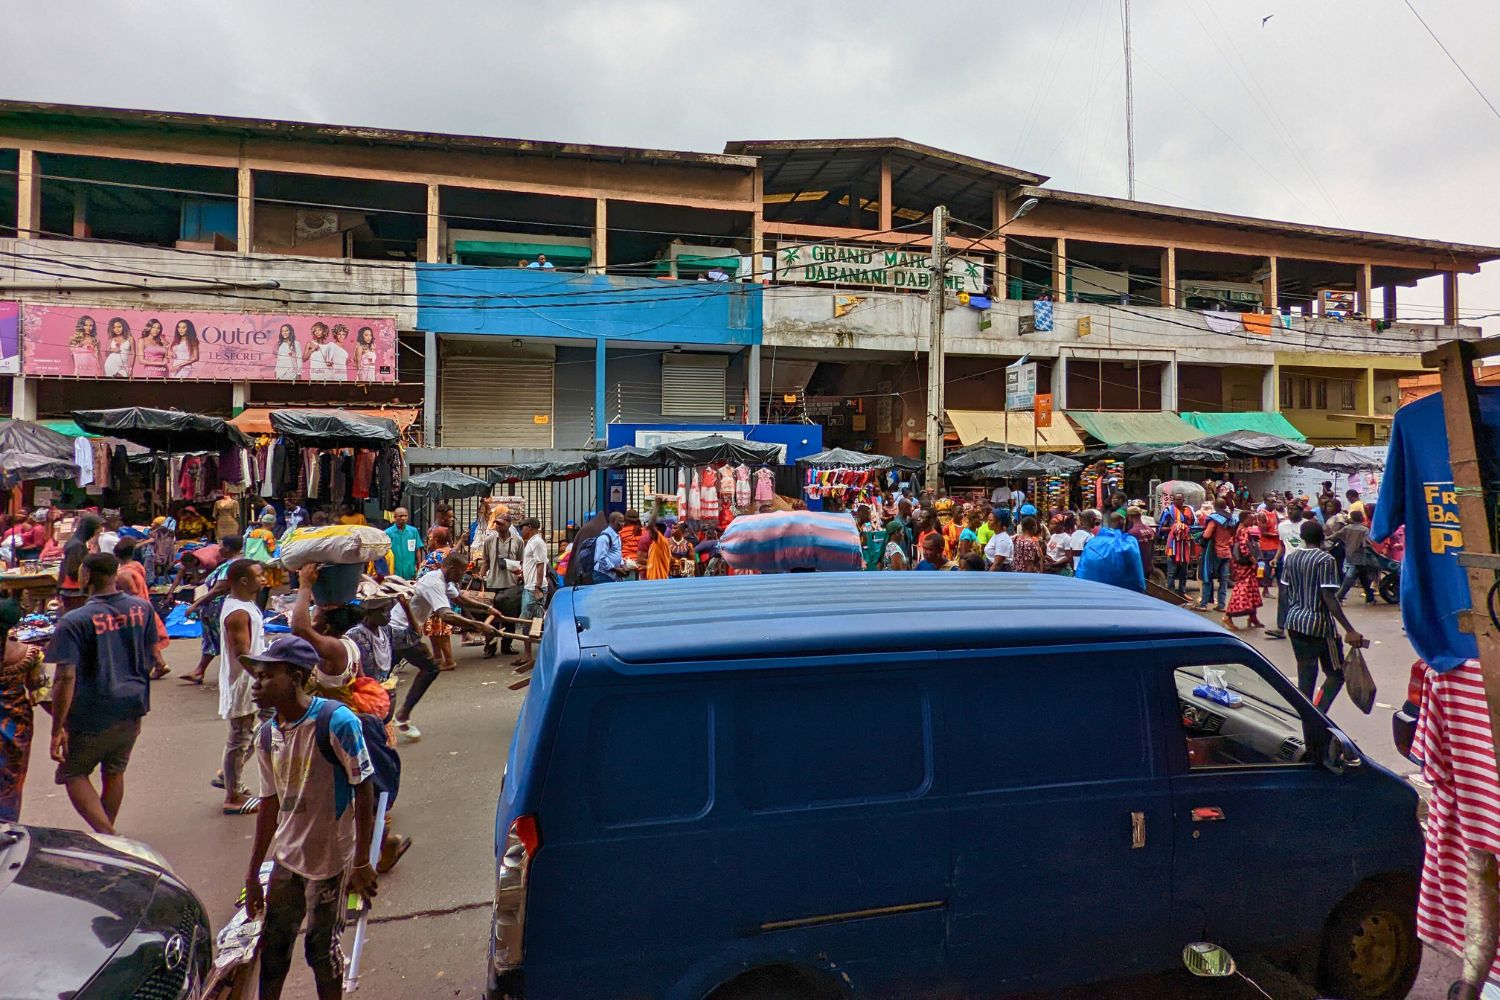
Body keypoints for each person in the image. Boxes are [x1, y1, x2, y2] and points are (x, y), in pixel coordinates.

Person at [241, 635, 377, 1000]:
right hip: (288, 855)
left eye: (267, 676)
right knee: (273, 946)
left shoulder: (336, 722)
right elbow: (269, 804)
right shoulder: (268, 736)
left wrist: (362, 861)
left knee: (320, 949)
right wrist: (254, 871)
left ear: (297, 676)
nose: (257, 684)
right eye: (257, 676)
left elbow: (364, 788)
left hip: (331, 857)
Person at [45, 553, 161, 834]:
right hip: (133, 704)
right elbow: (150, 656)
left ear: (85, 576)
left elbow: (65, 676)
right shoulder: (142, 609)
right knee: (114, 771)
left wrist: (58, 726)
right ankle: (107, 839)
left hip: (92, 710)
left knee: (73, 772)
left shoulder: (73, 620)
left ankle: (109, 837)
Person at [1281, 519, 1363, 715]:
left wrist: (1284, 620)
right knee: (1336, 673)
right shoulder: (1325, 560)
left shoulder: (1291, 559)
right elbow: (1329, 598)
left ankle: (1304, 714)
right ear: (1322, 537)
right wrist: (1349, 629)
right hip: (1319, 625)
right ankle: (1318, 713)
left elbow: (1284, 593)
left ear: (1301, 537)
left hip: (1294, 622)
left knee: (1306, 675)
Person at [219, 559, 267, 815]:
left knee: (261, 727)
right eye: (259, 576)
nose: (264, 579)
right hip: (244, 682)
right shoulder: (239, 613)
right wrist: (263, 679)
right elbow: (242, 653)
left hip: (252, 679)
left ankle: (229, 775)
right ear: (243, 581)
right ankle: (232, 794)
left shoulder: (245, 606)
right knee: (240, 737)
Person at [0, 599, 50, 821]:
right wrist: (62, 727)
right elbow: (42, 694)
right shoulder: (29, 654)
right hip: (16, 726)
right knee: (10, 781)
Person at [113, 539, 171, 678]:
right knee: (150, 638)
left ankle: (153, 666)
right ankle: (159, 665)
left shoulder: (123, 573)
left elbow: (132, 591)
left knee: (141, 640)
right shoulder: (137, 566)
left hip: (135, 609)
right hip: (145, 605)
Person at [1265, 503, 1309, 639]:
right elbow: (1282, 544)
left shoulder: (1307, 526)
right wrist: (1276, 558)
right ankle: (1280, 627)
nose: (1290, 512)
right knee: (1283, 595)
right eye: (1289, 509)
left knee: (1304, 595)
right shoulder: (1282, 526)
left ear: (1301, 511)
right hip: (1287, 564)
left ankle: (1303, 626)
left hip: (1304, 565)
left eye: (1294, 509)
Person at [1074, 512, 1145, 593]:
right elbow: (1136, 574)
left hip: (1091, 591)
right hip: (1123, 595)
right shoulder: (1129, 543)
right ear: (1122, 521)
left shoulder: (1093, 542)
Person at [1223, 513, 1265, 630]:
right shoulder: (1244, 530)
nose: (1253, 521)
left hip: (1239, 564)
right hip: (1245, 565)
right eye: (1251, 519)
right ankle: (1228, 616)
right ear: (1244, 519)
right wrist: (1253, 560)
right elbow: (1243, 548)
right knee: (1243, 590)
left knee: (1252, 589)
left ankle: (1253, 617)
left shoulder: (1239, 529)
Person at [1197, 500, 1237, 613]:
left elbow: (1207, 534)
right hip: (1227, 552)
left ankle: (1203, 604)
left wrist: (1201, 536)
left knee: (1207, 578)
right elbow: (1232, 536)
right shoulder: (1231, 519)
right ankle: (1221, 605)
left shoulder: (1215, 519)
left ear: (1215, 507)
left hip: (1215, 552)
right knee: (1223, 580)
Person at [58, 514, 103, 613]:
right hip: (74, 591)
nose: (99, 531)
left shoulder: (77, 542)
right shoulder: (77, 545)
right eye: (98, 528)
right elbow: (73, 571)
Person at [1333, 509, 1379, 604]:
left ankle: (1369, 597)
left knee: (1362, 577)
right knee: (1351, 577)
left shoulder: (1347, 528)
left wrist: (1325, 539)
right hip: (1360, 556)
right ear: (1361, 518)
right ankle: (1339, 597)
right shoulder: (1364, 529)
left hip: (1350, 555)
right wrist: (1375, 553)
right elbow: (1365, 543)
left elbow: (1336, 536)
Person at [1158, 492, 1196, 598]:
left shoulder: (1189, 511)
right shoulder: (1168, 511)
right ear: (1173, 501)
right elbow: (1161, 528)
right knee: (1171, 571)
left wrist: (1185, 528)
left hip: (1185, 544)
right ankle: (1171, 593)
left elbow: (1193, 526)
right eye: (1175, 499)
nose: (1177, 501)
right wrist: (1175, 527)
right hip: (1173, 545)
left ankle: (1182, 592)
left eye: (1179, 499)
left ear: (1183, 500)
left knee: (1184, 571)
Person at [384, 507, 424, 581]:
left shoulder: (413, 531)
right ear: (395, 518)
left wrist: (419, 566)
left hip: (410, 570)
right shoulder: (388, 533)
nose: (403, 518)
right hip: (395, 570)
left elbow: (417, 549)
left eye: (405, 516)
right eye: (400, 516)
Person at [593, 512, 627, 584]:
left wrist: (622, 564)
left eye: (623, 521)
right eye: (620, 521)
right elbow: (600, 557)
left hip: (613, 575)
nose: (623, 524)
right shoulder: (604, 537)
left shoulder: (617, 536)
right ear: (613, 521)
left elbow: (617, 552)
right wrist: (614, 569)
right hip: (603, 575)